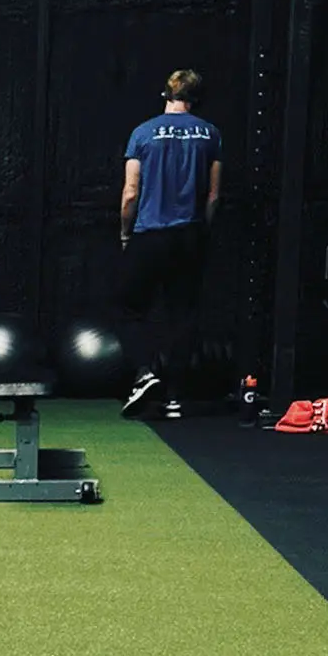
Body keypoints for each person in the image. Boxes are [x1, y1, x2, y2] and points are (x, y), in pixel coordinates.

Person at [117, 68, 223, 417]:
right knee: (183, 316)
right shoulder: (210, 133)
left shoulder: (142, 133)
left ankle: (145, 373)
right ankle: (176, 396)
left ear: (165, 94)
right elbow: (213, 196)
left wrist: (124, 233)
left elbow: (131, 193)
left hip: (150, 234)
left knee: (131, 309)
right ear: (195, 98)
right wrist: (201, 233)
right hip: (189, 236)